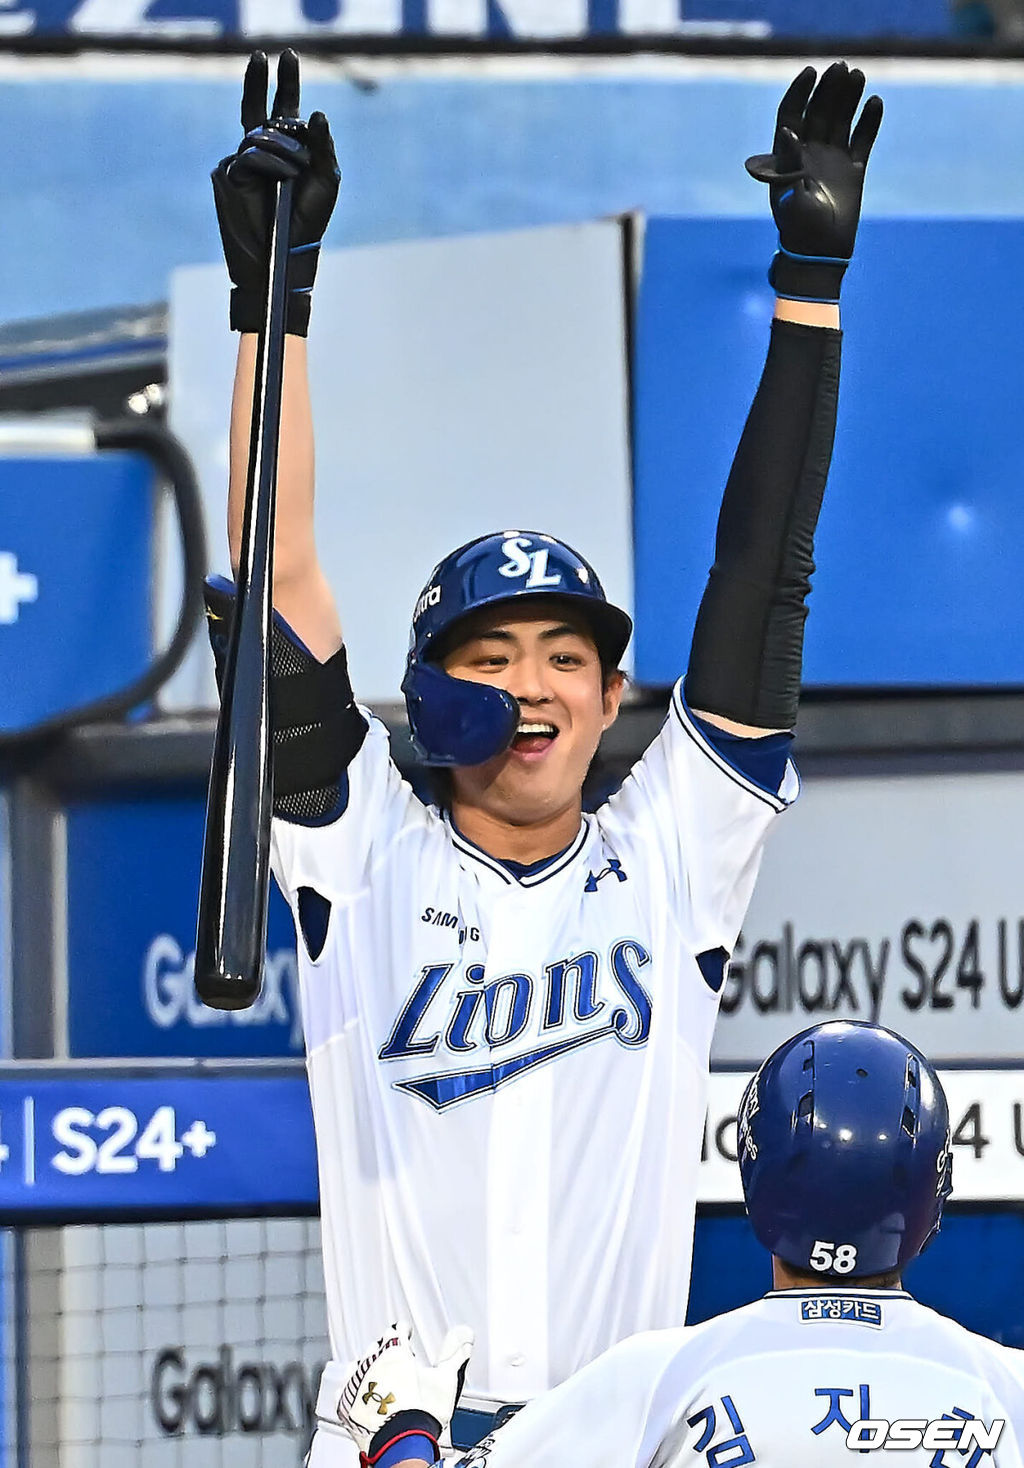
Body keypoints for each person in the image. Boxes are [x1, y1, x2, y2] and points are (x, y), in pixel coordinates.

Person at [204, 51, 883, 1465]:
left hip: (612, 1442)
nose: (532, 685)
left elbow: (765, 579)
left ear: (611, 691)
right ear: (428, 695)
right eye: (490, 654)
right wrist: (274, 310)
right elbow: (276, 573)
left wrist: (806, 298)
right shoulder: (362, 850)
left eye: (565, 656)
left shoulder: (671, 854)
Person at [334, 1022, 1024, 1468]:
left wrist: (402, 1428)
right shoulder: (1004, 1390)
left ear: (757, 1176)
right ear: (931, 1203)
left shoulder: (662, 1376)